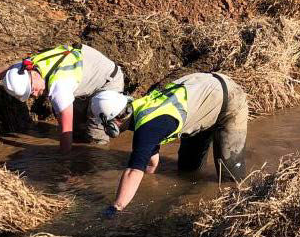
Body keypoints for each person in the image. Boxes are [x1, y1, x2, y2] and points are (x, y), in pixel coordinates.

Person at [96, 72, 248, 217]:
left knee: (230, 177)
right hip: (201, 98)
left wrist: (116, 207)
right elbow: (151, 161)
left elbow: (132, 172)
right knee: (188, 170)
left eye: (104, 124)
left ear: (113, 121)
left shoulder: (147, 128)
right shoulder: (141, 112)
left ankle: (240, 211)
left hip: (229, 99)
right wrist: (152, 182)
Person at [0, 44, 124, 153]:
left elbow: (66, 128)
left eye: (33, 91)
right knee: (77, 130)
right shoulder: (27, 67)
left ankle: (98, 165)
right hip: (85, 76)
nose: (36, 95)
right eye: (31, 95)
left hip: (108, 82)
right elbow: (4, 70)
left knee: (94, 136)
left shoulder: (60, 86)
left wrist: (65, 160)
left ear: (33, 76)